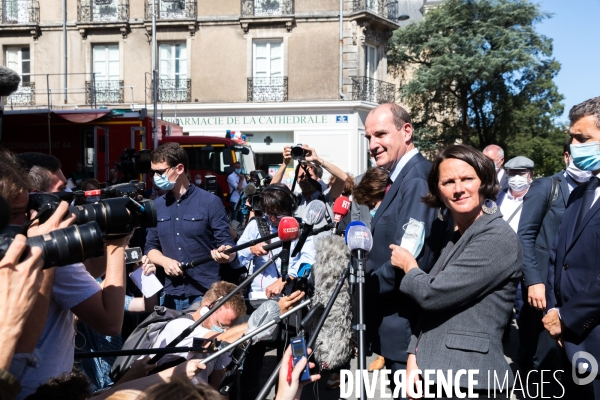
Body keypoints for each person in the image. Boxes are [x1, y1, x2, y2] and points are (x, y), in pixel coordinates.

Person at [390, 144, 522, 397]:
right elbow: (433, 313)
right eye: (448, 181)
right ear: (438, 191)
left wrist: (409, 266)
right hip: (438, 375)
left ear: (483, 181)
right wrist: (413, 355)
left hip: (471, 381)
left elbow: (433, 295)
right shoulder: (458, 236)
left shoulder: (496, 237)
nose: (459, 188)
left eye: (467, 179)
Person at [363, 103, 448, 397]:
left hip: (406, 326)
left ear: (406, 131)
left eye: (381, 135)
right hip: (394, 325)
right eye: (368, 138)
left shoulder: (416, 178)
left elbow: (412, 255)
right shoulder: (401, 176)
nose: (373, 145)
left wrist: (367, 286)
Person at [516, 138, 589, 381]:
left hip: (578, 291)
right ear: (566, 156)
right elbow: (525, 235)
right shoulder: (547, 186)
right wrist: (533, 280)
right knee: (542, 356)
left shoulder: (594, 191)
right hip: (542, 290)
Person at [544, 96, 600, 399]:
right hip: (567, 340)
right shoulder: (582, 191)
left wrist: (569, 317)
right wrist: (555, 311)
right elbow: (558, 257)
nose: (575, 145)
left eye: (584, 138)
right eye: (573, 137)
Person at [145, 142, 236, 310]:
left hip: (205, 294)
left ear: (179, 168)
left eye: (160, 172)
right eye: (153, 172)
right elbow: (150, 247)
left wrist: (225, 254)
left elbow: (229, 246)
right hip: (169, 294)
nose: (155, 177)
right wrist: (164, 261)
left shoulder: (210, 202)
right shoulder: (156, 206)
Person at [351, 166, 390, 373]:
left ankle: (385, 352)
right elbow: (356, 216)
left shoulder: (397, 181)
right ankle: (369, 344)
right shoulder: (359, 182)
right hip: (366, 248)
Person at [497, 156, 535, 233]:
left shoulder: (536, 199)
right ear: (507, 173)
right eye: (512, 173)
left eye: (522, 173)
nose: (516, 177)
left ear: (531, 175)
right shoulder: (497, 196)